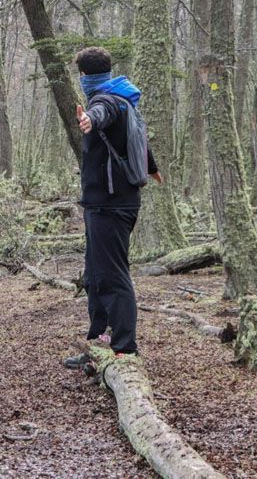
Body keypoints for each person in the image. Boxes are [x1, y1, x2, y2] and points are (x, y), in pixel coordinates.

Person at [65, 47, 163, 367]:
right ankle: (99, 342)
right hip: (106, 203)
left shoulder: (105, 101)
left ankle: (124, 347)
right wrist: (151, 166)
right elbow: (137, 138)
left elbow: (101, 113)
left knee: (113, 275)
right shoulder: (124, 100)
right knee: (95, 275)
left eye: (79, 75)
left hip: (110, 204)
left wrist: (89, 119)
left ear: (85, 76)